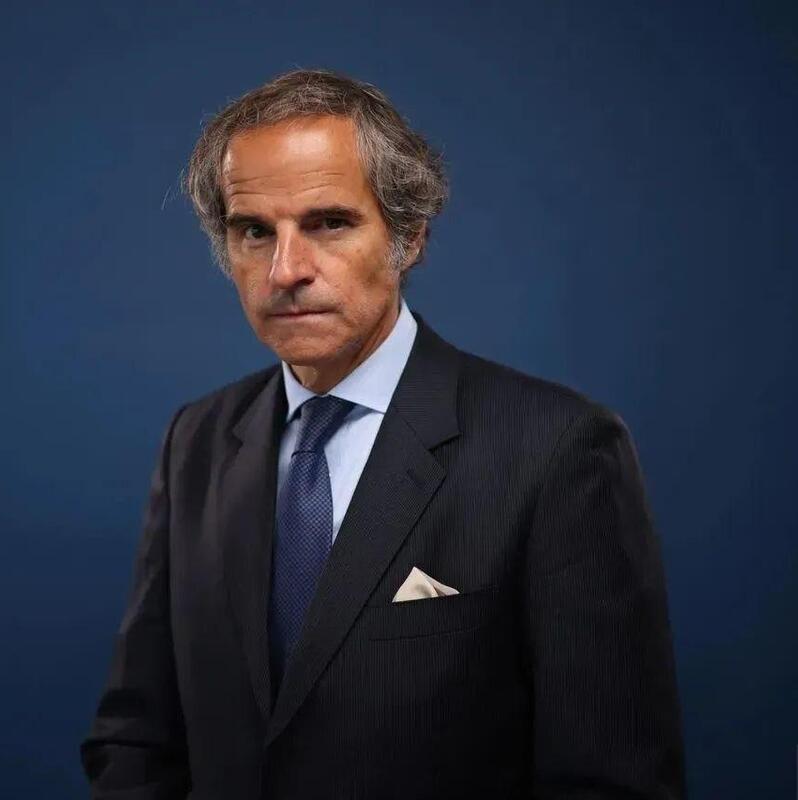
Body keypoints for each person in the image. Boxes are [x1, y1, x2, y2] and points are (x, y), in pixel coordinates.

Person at [80, 68, 686, 799]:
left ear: (409, 236)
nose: (285, 270)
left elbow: (610, 780)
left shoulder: (557, 447)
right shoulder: (198, 440)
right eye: (254, 232)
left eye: (328, 223)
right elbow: (139, 737)